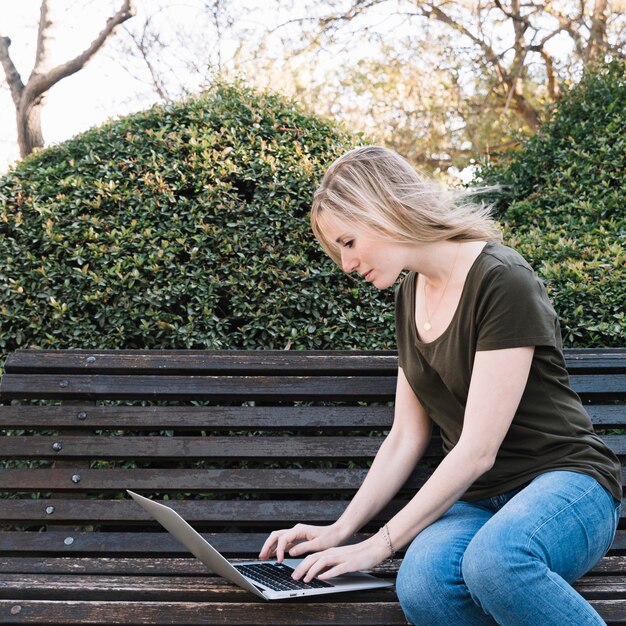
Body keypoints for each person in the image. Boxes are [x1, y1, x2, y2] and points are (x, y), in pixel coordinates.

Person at [259, 145, 621, 625]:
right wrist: (341, 529)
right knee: (423, 586)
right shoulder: (410, 296)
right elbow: (406, 436)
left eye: (348, 242)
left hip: (565, 484)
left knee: (497, 562)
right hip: (478, 502)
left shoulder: (501, 280)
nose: (345, 265)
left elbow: (476, 450)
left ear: (383, 211)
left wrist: (377, 546)